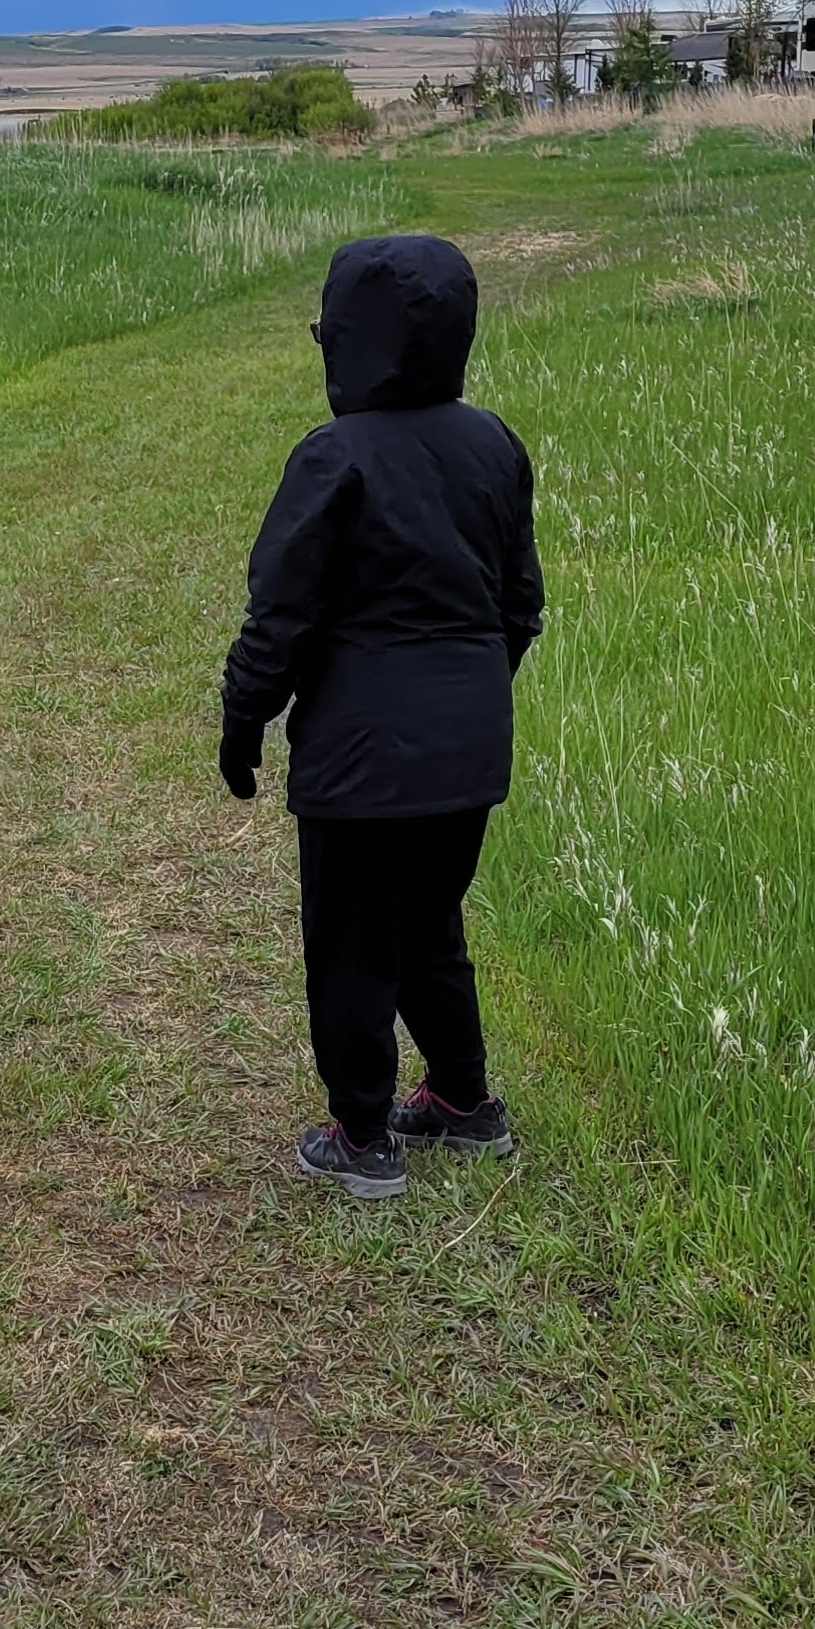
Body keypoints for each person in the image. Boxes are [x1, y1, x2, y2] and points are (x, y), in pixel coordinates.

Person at [217, 232, 544, 1202]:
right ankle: (464, 1101)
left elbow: (280, 615)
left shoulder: (333, 457)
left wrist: (244, 720)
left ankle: (361, 1136)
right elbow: (519, 606)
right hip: (469, 749)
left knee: (353, 942)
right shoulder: (493, 445)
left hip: (359, 760)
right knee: (429, 923)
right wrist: (465, 697)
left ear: (350, 338)